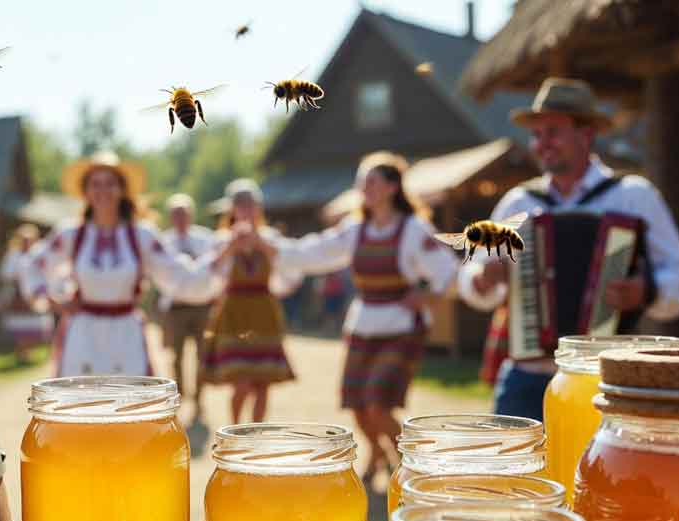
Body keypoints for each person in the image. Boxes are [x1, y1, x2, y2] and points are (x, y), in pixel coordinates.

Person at [458, 78, 679, 419]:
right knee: (512, 468)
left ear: (586, 134)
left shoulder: (633, 196)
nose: (542, 143)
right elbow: (471, 272)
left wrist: (646, 291)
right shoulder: (520, 201)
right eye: (537, 134)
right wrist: (483, 278)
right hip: (528, 373)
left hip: (605, 377)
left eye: (553, 131)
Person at [252, 152, 459, 485]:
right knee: (357, 405)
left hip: (401, 327)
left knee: (378, 404)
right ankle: (376, 452)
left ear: (392, 187)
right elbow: (315, 251)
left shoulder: (413, 228)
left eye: (371, 181)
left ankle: (407, 467)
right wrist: (270, 246)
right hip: (363, 324)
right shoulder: (355, 228)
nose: (364, 188)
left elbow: (447, 270)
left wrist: (428, 296)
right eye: (361, 182)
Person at [22, 151, 217, 377]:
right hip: (83, 334)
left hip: (126, 334)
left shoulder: (142, 235)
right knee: (81, 405)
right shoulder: (71, 234)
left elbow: (181, 276)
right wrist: (50, 299)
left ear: (122, 189)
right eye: (95, 184)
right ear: (86, 191)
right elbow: (33, 265)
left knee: (128, 403)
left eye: (110, 183)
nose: (102, 190)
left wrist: (221, 259)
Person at [201, 179, 295, 423]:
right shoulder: (221, 240)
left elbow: (289, 276)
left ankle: (256, 432)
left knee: (263, 382)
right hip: (234, 313)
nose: (245, 209)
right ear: (232, 208)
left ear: (258, 207)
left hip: (264, 312)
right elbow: (207, 276)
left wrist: (260, 243)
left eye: (250, 204)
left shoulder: (270, 237)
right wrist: (231, 247)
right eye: (240, 204)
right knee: (240, 381)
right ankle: (235, 429)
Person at [158, 193, 215, 416]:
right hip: (176, 308)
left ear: (191, 215)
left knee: (203, 355)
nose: (180, 218)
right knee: (177, 355)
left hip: (202, 307)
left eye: (184, 213)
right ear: (171, 217)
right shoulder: (163, 242)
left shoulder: (206, 239)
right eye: (176, 214)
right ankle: (180, 395)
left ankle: (200, 398)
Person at [0, 223, 52, 363]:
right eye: (23, 239)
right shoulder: (13, 255)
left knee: (33, 324)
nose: (26, 242)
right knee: (19, 325)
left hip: (36, 294)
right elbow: (6, 274)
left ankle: (29, 352)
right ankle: (21, 353)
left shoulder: (40, 253)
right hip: (17, 294)